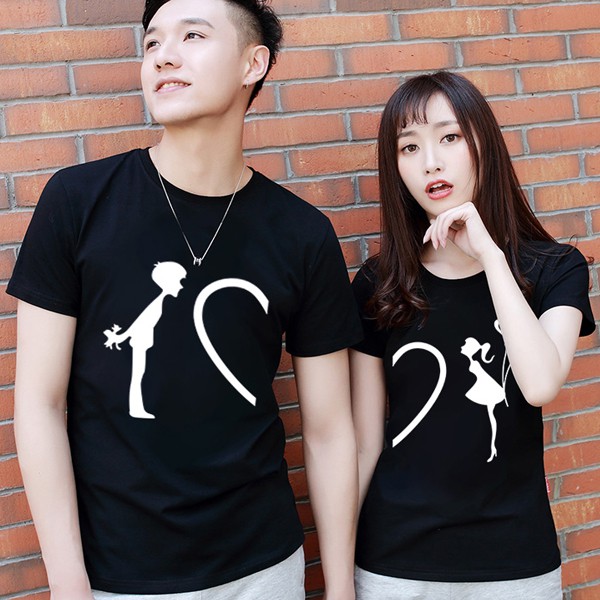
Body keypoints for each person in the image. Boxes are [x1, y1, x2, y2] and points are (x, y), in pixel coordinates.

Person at [8, 1, 361, 598]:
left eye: (193, 35)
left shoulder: (302, 234)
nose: (163, 57)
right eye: (152, 43)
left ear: (254, 63)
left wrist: (341, 585)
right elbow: (39, 404)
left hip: (263, 569)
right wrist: (68, 582)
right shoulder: (77, 203)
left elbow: (328, 430)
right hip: (119, 575)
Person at [350, 71, 595, 600]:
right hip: (395, 564)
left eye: (449, 137)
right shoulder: (380, 284)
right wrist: (343, 573)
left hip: (515, 562)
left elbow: (540, 384)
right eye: (409, 147)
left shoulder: (556, 269)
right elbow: (365, 443)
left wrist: (490, 257)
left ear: (484, 143)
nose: (430, 162)